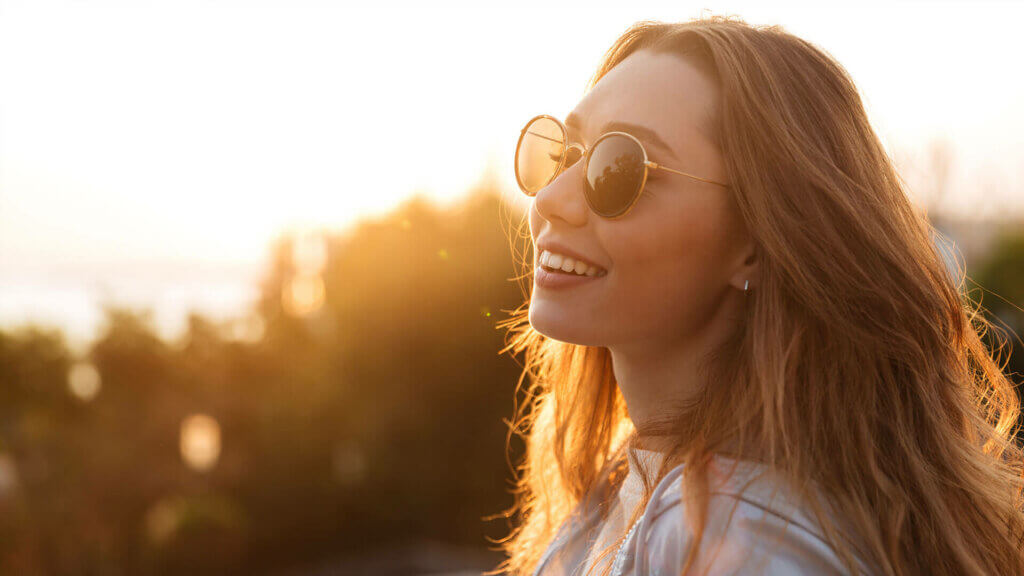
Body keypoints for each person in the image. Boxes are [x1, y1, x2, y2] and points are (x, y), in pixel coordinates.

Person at [489, 14, 1024, 576]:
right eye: (565, 153)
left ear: (755, 239)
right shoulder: (635, 481)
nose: (551, 198)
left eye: (618, 168)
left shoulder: (736, 531)